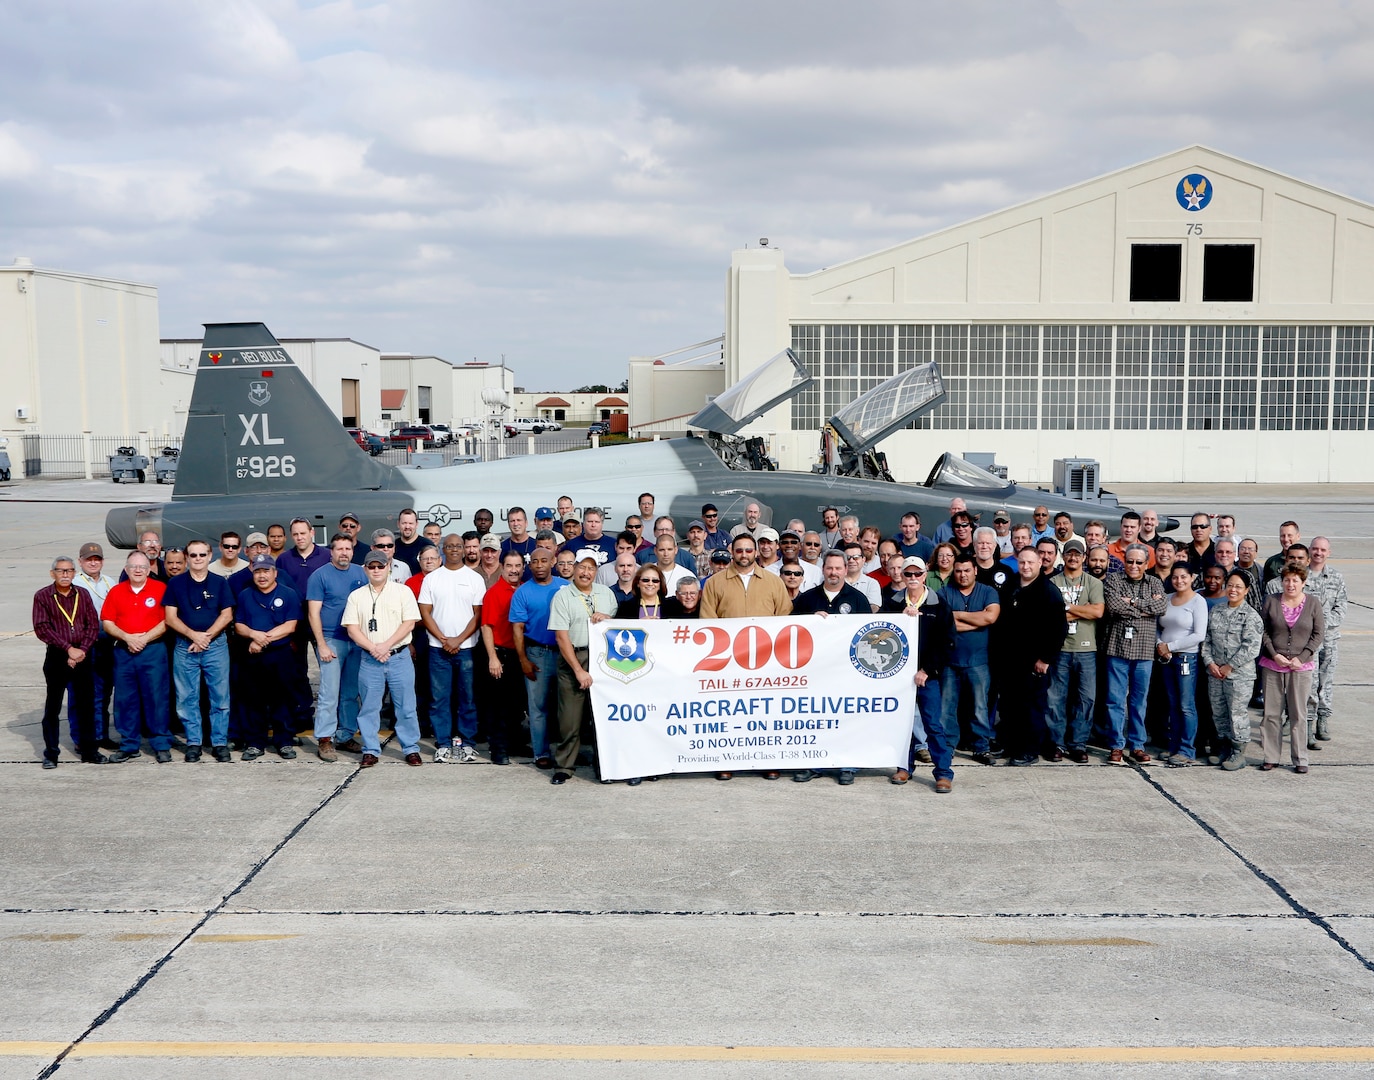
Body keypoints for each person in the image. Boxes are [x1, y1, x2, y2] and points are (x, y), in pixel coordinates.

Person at [790, 552, 873, 786]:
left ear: (846, 570)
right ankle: (813, 764)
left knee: (846, 719)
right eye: (829, 568)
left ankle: (847, 766)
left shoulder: (857, 600)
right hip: (815, 672)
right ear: (823, 570)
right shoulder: (807, 599)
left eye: (838, 568)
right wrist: (810, 620)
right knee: (816, 718)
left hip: (847, 673)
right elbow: (790, 629)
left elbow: (869, 635)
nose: (833, 573)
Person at [343, 551, 425, 768]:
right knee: (369, 706)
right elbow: (352, 628)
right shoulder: (356, 596)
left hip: (398, 657)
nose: (377, 570)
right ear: (365, 569)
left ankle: (410, 748)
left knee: (406, 706)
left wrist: (386, 646)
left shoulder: (403, 591)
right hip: (370, 659)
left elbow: (409, 623)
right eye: (372, 567)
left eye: (380, 566)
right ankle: (370, 749)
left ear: (389, 566)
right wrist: (373, 648)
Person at [883, 557, 954, 792]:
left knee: (932, 724)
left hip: (927, 676)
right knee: (901, 725)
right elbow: (879, 634)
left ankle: (943, 773)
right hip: (899, 676)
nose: (912, 578)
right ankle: (904, 767)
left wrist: (927, 670)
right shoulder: (891, 603)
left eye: (917, 574)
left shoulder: (938, 603)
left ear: (925, 575)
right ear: (902, 576)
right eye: (908, 574)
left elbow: (946, 642)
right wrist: (898, 620)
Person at [993, 547, 1068, 766]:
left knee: (1031, 708)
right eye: (1022, 563)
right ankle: (1009, 744)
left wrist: (1045, 659)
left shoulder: (1048, 591)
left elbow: (1058, 629)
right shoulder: (1010, 586)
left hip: (1034, 662)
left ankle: (1028, 751)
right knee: (1008, 705)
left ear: (1039, 564)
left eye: (1030, 563)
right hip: (1009, 659)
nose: (1026, 567)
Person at [547, 554, 617, 785]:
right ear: (574, 568)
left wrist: (607, 618)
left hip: (602, 661)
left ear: (596, 571)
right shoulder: (562, 596)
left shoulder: (606, 594)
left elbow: (617, 626)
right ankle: (564, 767)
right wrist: (578, 670)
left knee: (602, 719)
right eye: (582, 567)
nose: (586, 572)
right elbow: (561, 636)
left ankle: (604, 766)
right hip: (573, 659)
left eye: (591, 568)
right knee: (570, 719)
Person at [163, 539, 236, 762]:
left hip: (215, 647)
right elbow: (170, 617)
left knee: (220, 697)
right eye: (193, 555)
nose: (197, 559)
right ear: (187, 558)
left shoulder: (219, 582)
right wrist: (193, 635)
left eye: (202, 555)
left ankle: (219, 743)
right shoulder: (176, 584)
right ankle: (193, 742)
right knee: (187, 697)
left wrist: (206, 637)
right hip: (185, 647)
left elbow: (227, 614)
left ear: (209, 556)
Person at [419, 533, 485, 763]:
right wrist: (444, 639)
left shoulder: (474, 578)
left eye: (459, 546)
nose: (455, 549)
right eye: (450, 546)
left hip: (466, 648)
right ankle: (443, 744)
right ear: (442, 550)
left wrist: (458, 640)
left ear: (464, 549)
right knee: (439, 699)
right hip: (438, 649)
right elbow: (425, 612)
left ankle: (467, 744)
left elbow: (478, 615)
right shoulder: (432, 579)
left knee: (467, 698)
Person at [33, 557, 105, 767]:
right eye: (61, 571)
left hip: (83, 655)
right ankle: (51, 753)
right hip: (57, 656)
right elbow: (42, 628)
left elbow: (92, 625)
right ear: (52, 573)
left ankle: (89, 751)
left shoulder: (82, 594)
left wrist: (81, 650)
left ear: (74, 573)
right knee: (53, 707)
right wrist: (68, 649)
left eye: (69, 571)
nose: (65, 575)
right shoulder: (43, 596)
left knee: (86, 705)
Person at [102, 552, 171, 763]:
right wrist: (128, 638)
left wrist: (144, 639)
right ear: (126, 568)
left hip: (152, 651)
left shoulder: (160, 589)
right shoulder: (116, 591)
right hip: (124, 652)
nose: (138, 570)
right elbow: (107, 622)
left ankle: (160, 743)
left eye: (142, 566)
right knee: (125, 699)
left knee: (156, 697)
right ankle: (129, 744)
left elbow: (167, 620)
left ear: (149, 569)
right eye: (133, 566)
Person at [232, 554, 301, 760]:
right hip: (253, 657)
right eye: (258, 571)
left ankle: (284, 741)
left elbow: (291, 625)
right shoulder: (245, 595)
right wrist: (253, 635)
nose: (262, 575)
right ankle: (255, 743)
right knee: (254, 700)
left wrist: (262, 639)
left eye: (266, 571)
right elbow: (239, 625)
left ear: (275, 573)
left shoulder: (288, 594)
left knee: (283, 699)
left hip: (280, 655)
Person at [307, 534, 369, 762]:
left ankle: (345, 735)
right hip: (332, 640)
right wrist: (321, 644)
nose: (344, 552)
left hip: (357, 641)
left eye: (348, 548)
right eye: (339, 549)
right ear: (331, 551)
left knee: (351, 693)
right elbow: (313, 613)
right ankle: (325, 739)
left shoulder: (361, 573)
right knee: (329, 693)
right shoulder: (319, 576)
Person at [1102, 544, 1167, 764]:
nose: (1134, 566)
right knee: (1115, 700)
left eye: (1139, 562)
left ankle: (1137, 745)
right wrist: (1145, 608)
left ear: (1146, 563)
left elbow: (1161, 608)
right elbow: (1113, 606)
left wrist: (1131, 602)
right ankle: (1116, 745)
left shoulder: (1155, 582)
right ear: (1125, 561)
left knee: (1139, 701)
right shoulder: (1113, 580)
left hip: (1144, 651)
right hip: (1117, 648)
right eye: (1130, 561)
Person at [1259, 568, 1324, 774]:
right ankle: (1271, 756)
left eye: (1295, 580)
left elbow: (1318, 633)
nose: (1290, 584)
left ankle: (1300, 758)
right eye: (1287, 580)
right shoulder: (1271, 601)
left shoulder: (1313, 603)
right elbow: (1263, 630)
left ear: (1303, 582)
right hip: (1272, 664)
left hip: (1301, 667)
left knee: (1298, 713)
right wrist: (1273, 654)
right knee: (1271, 713)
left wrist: (1302, 657)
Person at [939, 554, 1000, 764]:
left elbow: (991, 617)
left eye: (966, 570)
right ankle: (947, 747)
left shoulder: (987, 591)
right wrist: (977, 621)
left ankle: (981, 748)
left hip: (978, 661)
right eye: (958, 571)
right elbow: (943, 624)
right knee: (947, 708)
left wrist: (957, 615)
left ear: (975, 570)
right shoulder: (944, 592)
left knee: (979, 707)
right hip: (950, 661)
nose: (962, 575)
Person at [1046, 539, 1103, 764]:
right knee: (1055, 698)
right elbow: (1051, 616)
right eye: (1069, 554)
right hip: (1060, 648)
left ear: (1084, 557)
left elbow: (1098, 612)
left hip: (1087, 649)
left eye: (1077, 554)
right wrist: (1083, 610)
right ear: (1063, 555)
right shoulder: (1052, 582)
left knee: (1085, 698)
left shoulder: (1093, 583)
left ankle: (1078, 744)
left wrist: (1067, 608)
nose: (1073, 558)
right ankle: (1057, 743)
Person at [510, 548, 567, 768]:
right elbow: (518, 629)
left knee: (565, 708)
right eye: (535, 561)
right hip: (537, 654)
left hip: (564, 653)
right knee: (538, 708)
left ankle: (565, 754)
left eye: (544, 560)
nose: (540, 565)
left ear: (553, 561)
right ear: (529, 565)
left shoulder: (565, 587)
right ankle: (541, 753)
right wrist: (523, 659)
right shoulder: (523, 592)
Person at [1202, 572, 1264, 771]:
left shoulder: (1251, 616)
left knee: (1236, 713)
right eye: (1230, 585)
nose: (1233, 590)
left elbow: (1251, 647)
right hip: (1215, 673)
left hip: (1239, 675)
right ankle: (1223, 747)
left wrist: (1229, 666)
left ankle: (1238, 752)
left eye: (1238, 587)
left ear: (1246, 590)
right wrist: (1210, 663)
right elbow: (1207, 640)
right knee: (1218, 712)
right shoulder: (1217, 611)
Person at [478, 551, 529, 766]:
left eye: (518, 565)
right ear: (503, 566)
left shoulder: (526, 589)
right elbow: (486, 626)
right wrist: (492, 657)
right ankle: (498, 749)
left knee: (517, 704)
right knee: (498, 706)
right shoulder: (494, 593)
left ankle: (516, 743)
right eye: (509, 566)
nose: (514, 570)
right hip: (501, 654)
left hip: (521, 656)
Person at [1156, 565, 1208, 767]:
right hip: (1166, 658)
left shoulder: (1198, 601)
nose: (1179, 581)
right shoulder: (1167, 598)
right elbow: (1158, 626)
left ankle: (1187, 750)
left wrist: (1171, 646)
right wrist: (1160, 645)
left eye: (1183, 577)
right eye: (1175, 577)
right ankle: (1174, 747)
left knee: (1186, 705)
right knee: (1173, 704)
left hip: (1186, 658)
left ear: (1192, 577)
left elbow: (1198, 635)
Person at [72, 542, 117, 746]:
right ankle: (81, 738)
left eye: (96, 559)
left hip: (106, 643)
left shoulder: (110, 582)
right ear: (80, 561)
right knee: (79, 693)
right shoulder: (75, 584)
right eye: (88, 559)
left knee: (103, 690)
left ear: (102, 561)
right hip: (83, 643)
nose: (93, 563)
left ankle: (101, 735)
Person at [1305, 537, 1346, 745]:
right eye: (1315, 549)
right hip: (1308, 642)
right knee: (1309, 684)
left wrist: (1322, 621)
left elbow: (1341, 608)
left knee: (1326, 681)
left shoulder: (1336, 578)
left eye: (1322, 550)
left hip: (1329, 639)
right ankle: (1308, 725)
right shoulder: (1301, 576)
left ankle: (1323, 719)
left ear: (1328, 553)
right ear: (1309, 550)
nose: (1318, 553)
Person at [840, 542, 880, 611]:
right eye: (848, 558)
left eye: (856, 557)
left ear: (863, 560)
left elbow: (874, 609)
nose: (851, 561)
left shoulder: (872, 583)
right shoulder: (836, 582)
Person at [1263, 521, 1301, 588]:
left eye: (1290, 535)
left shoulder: (1307, 561)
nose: (1286, 539)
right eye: (1283, 536)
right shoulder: (1272, 562)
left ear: (1298, 536)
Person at [1183, 513, 1216, 577]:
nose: (1198, 530)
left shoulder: (1219, 551)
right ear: (1191, 530)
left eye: (1203, 526)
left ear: (1210, 529)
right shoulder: (1184, 551)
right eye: (1194, 527)